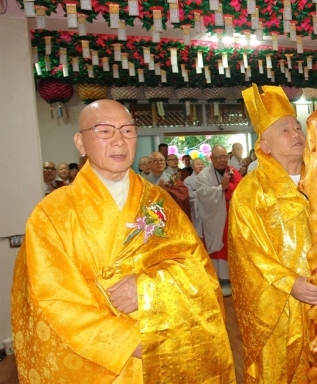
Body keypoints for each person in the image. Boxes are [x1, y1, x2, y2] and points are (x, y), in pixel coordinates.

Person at [12, 99, 234, 383]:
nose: (119, 140)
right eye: (104, 131)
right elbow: (50, 297)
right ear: (80, 142)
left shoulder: (158, 202)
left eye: (127, 131)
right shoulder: (51, 214)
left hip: (159, 341)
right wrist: (124, 341)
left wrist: (148, 289)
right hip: (96, 358)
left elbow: (197, 268)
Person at [230, 84, 317, 383]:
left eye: (297, 127)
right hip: (285, 307)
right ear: (265, 146)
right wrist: (289, 283)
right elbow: (247, 254)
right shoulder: (251, 192)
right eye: (285, 130)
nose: (296, 133)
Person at [196, 145, 242, 297]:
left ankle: (233, 277)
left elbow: (241, 188)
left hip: (231, 215)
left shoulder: (233, 171)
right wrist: (221, 188)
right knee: (218, 246)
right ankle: (219, 279)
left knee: (231, 245)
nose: (222, 160)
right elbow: (202, 194)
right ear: (211, 158)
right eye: (219, 157)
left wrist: (229, 187)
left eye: (224, 157)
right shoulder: (204, 175)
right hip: (215, 217)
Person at [146, 151, 192, 219]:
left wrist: (168, 191)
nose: (159, 163)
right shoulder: (144, 181)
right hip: (152, 217)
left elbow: (184, 197)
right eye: (155, 160)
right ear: (149, 164)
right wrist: (158, 190)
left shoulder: (174, 180)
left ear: (165, 163)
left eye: (161, 160)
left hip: (172, 216)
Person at [184, 158, 206, 240]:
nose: (200, 166)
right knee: (198, 231)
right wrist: (202, 192)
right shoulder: (188, 180)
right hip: (196, 209)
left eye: (202, 164)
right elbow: (187, 194)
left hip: (208, 208)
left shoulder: (208, 178)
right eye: (197, 164)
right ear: (192, 167)